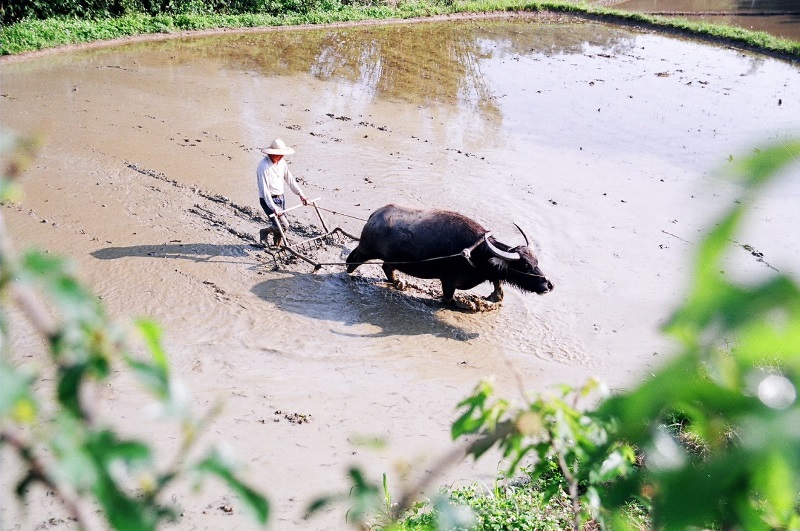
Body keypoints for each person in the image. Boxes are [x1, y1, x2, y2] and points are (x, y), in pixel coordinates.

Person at [256, 138, 308, 247]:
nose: (281, 157)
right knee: (284, 224)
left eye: (282, 155)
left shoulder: (282, 163)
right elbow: (264, 190)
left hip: (280, 198)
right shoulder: (263, 167)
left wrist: (301, 194)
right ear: (271, 154)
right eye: (278, 155)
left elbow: (290, 179)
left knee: (280, 225)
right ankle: (268, 236)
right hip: (268, 200)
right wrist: (273, 207)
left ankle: (274, 243)